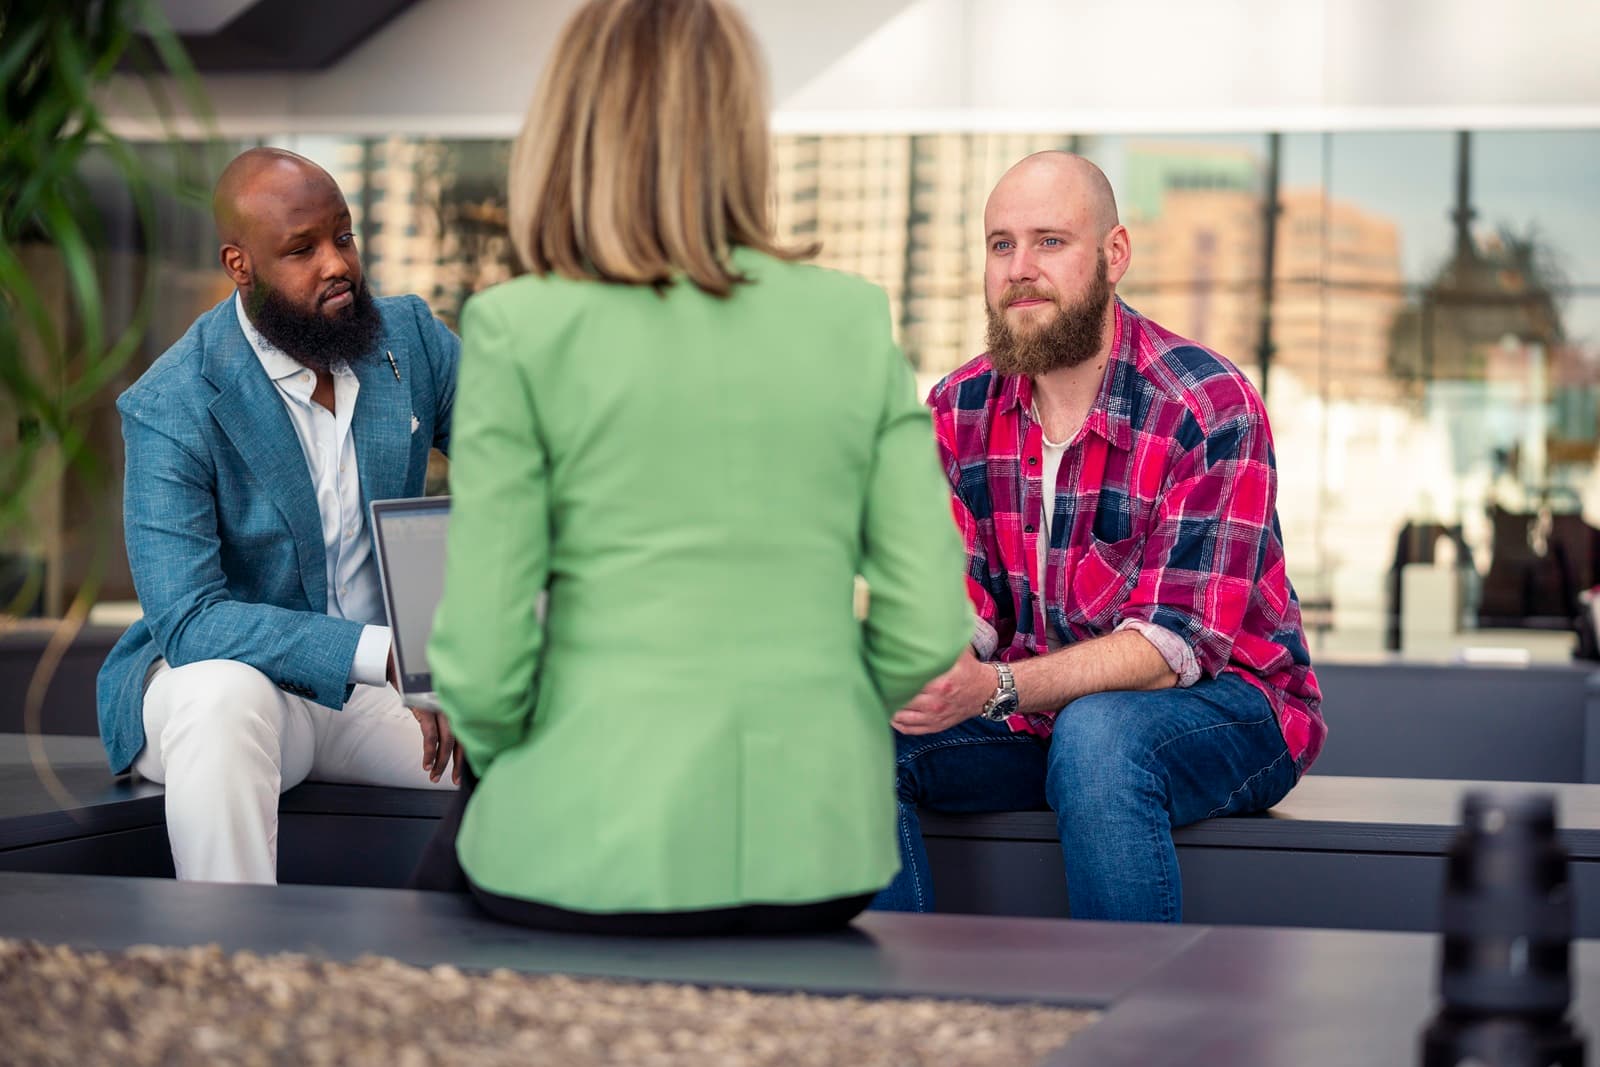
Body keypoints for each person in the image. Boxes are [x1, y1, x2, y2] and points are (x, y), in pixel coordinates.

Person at [420, 0, 972, 935]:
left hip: (582, 844)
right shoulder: (846, 321)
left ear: (571, 129)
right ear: (739, 131)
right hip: (813, 852)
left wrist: (527, 745)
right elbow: (926, 625)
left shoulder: (521, 328)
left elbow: (480, 667)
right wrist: (819, 717)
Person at [872, 151, 1326, 923]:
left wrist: (998, 687)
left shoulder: (1206, 405)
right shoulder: (958, 406)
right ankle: (900, 1020)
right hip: (1037, 714)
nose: (1020, 268)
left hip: (1233, 706)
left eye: (1050, 242)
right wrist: (924, 665)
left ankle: (1129, 1025)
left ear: (1114, 255)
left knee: (1100, 735)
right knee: (860, 735)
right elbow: (963, 607)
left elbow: (1170, 649)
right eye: (1001, 244)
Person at [95, 147, 464, 884]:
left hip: (384, 703)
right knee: (220, 694)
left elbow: (513, 476)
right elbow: (191, 619)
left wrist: (449, 659)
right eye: (302, 249)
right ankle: (230, 967)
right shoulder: (174, 402)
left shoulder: (411, 340)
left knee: (536, 731)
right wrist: (389, 651)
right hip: (241, 694)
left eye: (344, 236)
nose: (338, 265)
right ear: (240, 265)